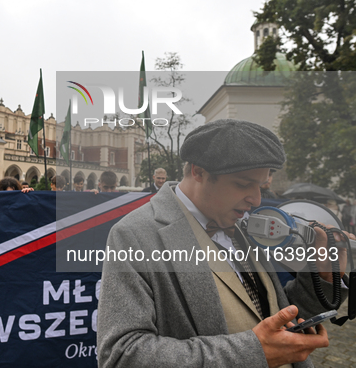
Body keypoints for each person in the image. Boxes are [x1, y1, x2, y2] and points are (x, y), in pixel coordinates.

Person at [98, 119, 353, 368]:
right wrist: (254, 352)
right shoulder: (134, 234)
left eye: (261, 185)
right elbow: (121, 355)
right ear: (198, 171)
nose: (256, 199)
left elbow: (276, 313)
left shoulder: (245, 223)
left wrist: (324, 275)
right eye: (243, 184)